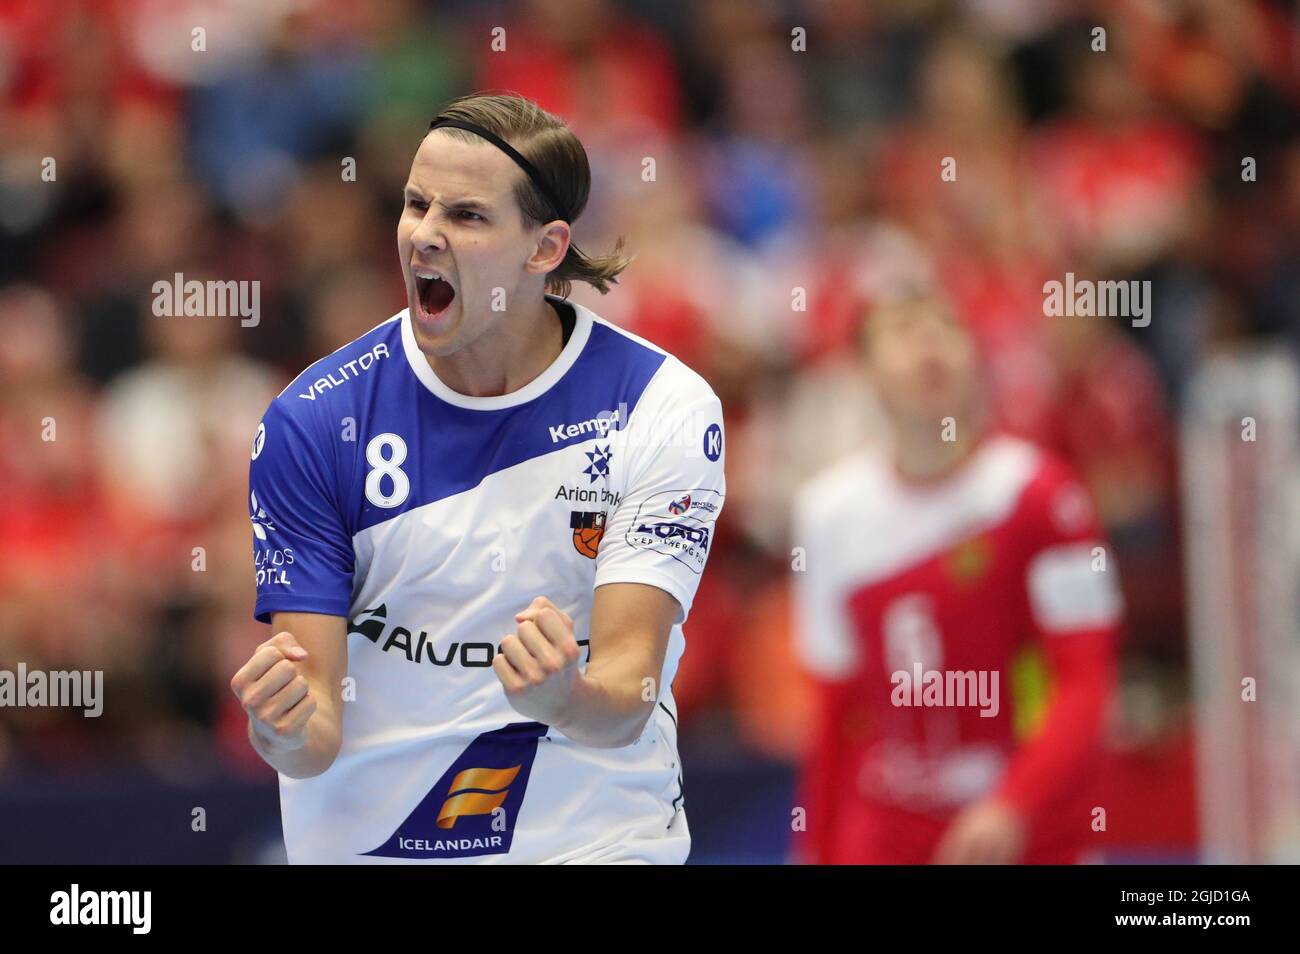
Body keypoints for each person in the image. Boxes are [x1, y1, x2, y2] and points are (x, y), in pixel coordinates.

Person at [229, 92, 726, 864]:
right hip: (371, 843)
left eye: (466, 216)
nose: (424, 235)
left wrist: (564, 697)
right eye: (415, 204)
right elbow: (315, 732)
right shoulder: (315, 422)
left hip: (592, 837)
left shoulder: (660, 408)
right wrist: (280, 728)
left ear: (545, 248)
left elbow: (626, 695)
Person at [791, 285, 1120, 864]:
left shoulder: (1041, 497)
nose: (929, 345)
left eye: (947, 327)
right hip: (888, 833)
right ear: (866, 373)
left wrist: (1013, 805)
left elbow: (1085, 681)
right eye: (903, 331)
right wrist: (814, 847)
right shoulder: (829, 513)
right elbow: (836, 712)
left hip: (1025, 831)